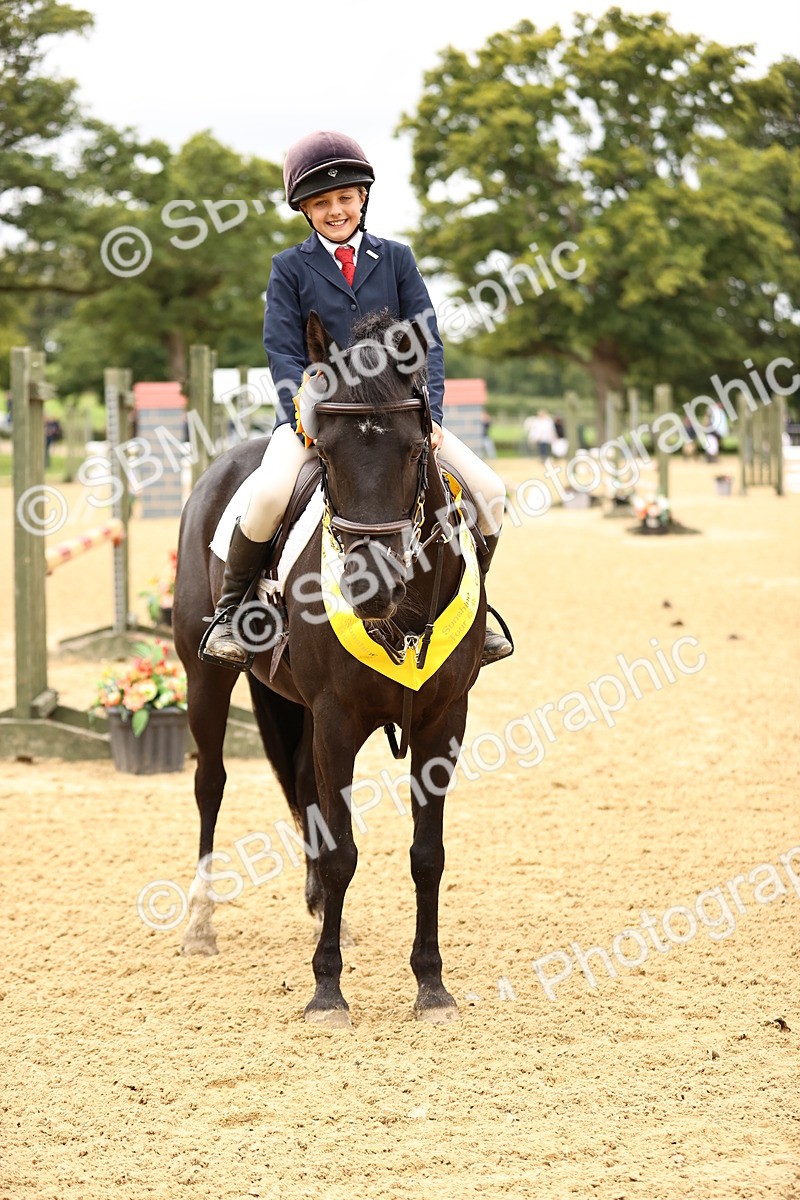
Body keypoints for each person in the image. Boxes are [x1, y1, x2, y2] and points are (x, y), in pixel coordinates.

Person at [201, 130, 513, 670]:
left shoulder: (395, 258)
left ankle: (476, 607)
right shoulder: (289, 267)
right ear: (305, 210)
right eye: (322, 203)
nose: (336, 211)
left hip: (397, 419)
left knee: (490, 490)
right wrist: (303, 413)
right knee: (269, 493)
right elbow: (282, 350)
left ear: (362, 197)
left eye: (345, 198)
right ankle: (231, 612)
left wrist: (431, 415)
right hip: (320, 418)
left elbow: (427, 340)